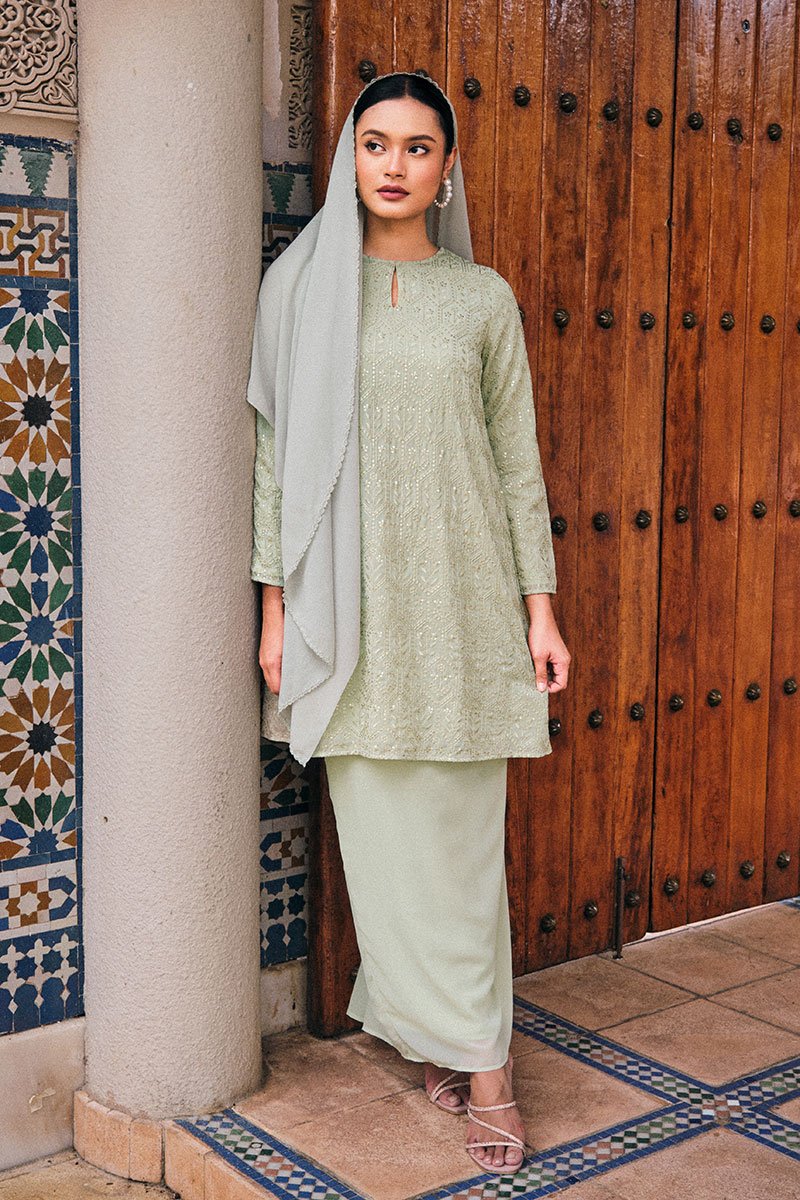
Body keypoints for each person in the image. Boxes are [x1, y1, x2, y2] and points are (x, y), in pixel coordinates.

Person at [247, 70, 571, 1179]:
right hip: (351, 608)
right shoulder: (300, 292)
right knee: (382, 852)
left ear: (447, 167)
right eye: (375, 143)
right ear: (351, 159)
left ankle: (489, 1071)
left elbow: (516, 463)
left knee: (463, 852)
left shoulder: (481, 298)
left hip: (465, 603)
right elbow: (271, 462)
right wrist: (275, 607)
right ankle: (434, 1031)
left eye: (417, 147)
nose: (394, 164)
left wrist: (539, 611)